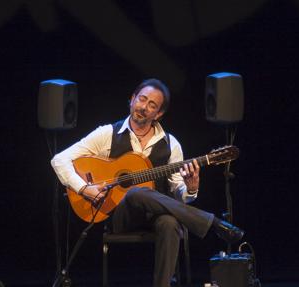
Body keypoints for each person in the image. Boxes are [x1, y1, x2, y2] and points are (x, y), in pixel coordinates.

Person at [51, 78, 244, 287]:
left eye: (152, 105)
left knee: (170, 224)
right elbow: (59, 159)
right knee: (136, 193)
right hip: (120, 216)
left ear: (158, 114)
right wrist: (84, 188)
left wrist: (191, 188)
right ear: (132, 99)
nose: (144, 107)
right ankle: (213, 223)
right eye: (142, 99)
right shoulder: (107, 134)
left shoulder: (171, 145)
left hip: (157, 215)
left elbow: (178, 195)